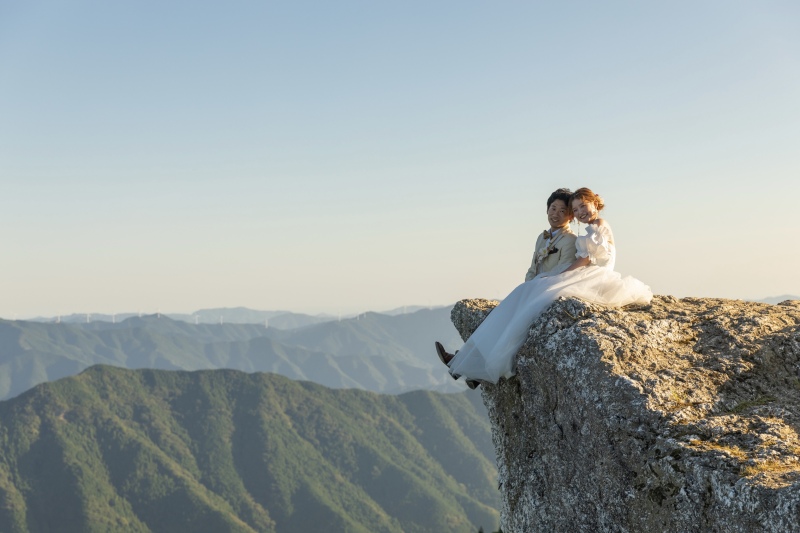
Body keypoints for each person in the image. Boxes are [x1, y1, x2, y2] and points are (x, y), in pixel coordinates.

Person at [435, 187, 652, 387]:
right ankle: (467, 365)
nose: (578, 212)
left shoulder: (593, 229)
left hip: (592, 277)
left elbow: (583, 260)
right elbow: (535, 267)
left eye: (577, 208)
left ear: (594, 204)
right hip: (581, 274)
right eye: (574, 209)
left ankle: (472, 368)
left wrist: (557, 277)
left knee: (521, 310)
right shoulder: (550, 236)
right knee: (516, 301)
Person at [524, 188, 578, 282]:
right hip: (533, 287)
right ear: (547, 210)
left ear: (571, 216)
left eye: (562, 211)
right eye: (553, 208)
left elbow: (563, 273)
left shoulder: (571, 240)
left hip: (551, 288)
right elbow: (532, 269)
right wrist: (528, 286)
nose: (555, 214)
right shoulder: (541, 237)